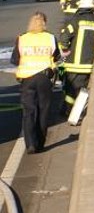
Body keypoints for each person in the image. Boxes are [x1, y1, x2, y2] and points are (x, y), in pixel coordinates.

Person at [10, 12, 61, 153]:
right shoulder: (50, 38)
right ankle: (40, 142)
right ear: (44, 23)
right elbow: (57, 57)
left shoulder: (22, 38)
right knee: (43, 110)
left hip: (27, 78)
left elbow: (14, 60)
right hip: (44, 77)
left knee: (29, 112)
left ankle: (30, 144)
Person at [58, 0, 94, 116]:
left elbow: (64, 38)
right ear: (93, 7)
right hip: (89, 64)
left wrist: (65, 49)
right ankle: (74, 112)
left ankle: (68, 112)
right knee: (82, 91)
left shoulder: (75, 21)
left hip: (72, 64)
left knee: (69, 90)